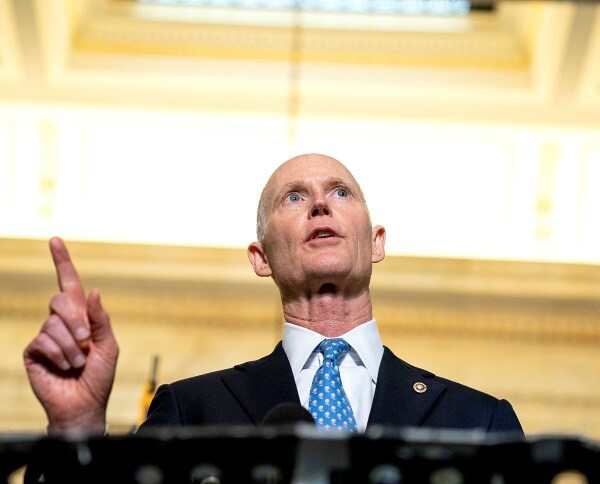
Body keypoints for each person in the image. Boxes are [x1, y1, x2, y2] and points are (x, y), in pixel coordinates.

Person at [23, 153, 524, 437]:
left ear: (376, 243)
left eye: (340, 192)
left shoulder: (477, 419)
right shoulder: (192, 409)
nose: (321, 204)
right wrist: (77, 426)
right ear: (260, 257)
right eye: (295, 197)